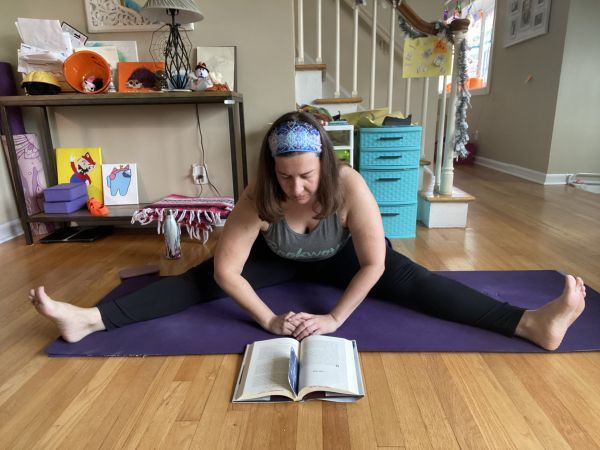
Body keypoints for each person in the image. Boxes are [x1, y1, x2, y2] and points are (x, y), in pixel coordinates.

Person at [30, 111, 587, 351]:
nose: (296, 190)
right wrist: (270, 318)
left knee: (414, 279)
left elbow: (373, 264)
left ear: (324, 165)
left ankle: (530, 325)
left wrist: (333, 318)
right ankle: (89, 320)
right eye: (284, 178)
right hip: (278, 256)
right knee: (201, 279)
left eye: (306, 178)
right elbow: (227, 271)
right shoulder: (260, 195)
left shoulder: (349, 185)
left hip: (345, 258)